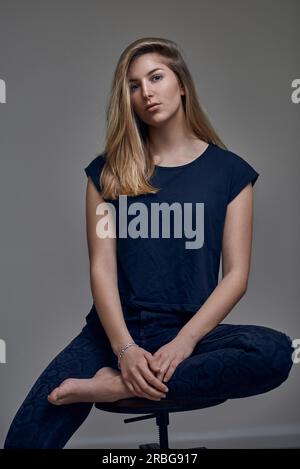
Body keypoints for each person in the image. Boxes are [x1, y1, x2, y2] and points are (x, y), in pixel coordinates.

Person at [4, 37, 294, 449]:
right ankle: (119, 375)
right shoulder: (106, 173)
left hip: (190, 333)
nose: (147, 92)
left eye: (156, 77)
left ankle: (113, 388)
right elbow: (101, 269)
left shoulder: (230, 173)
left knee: (274, 353)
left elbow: (236, 276)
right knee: (26, 437)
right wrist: (124, 350)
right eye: (134, 86)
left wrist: (184, 342)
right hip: (112, 334)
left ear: (182, 85)